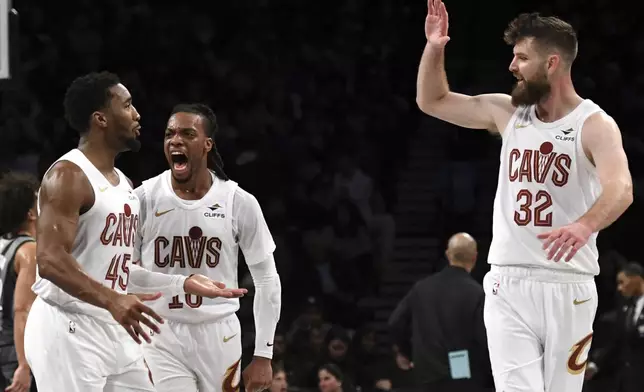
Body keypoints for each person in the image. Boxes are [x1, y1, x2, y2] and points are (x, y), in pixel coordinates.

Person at [416, 2, 633, 391]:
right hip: (507, 281)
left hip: (570, 283)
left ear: (552, 63)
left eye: (521, 57)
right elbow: (433, 101)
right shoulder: (509, 112)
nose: (512, 66)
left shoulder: (594, 124)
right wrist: (435, 47)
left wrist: (586, 224)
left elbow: (621, 188)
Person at [24, 72, 247, 392]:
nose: (137, 114)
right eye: (127, 105)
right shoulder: (68, 175)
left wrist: (182, 283)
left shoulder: (125, 185)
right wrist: (113, 300)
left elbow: (122, 270)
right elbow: (50, 260)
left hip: (113, 329)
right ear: (100, 119)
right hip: (67, 327)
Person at [132, 103, 281, 392]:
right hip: (160, 332)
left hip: (219, 332)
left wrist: (264, 353)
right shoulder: (143, 198)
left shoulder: (238, 201)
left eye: (187, 133)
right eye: (169, 134)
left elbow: (267, 279)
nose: (175, 140)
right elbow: (124, 274)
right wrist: (181, 283)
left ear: (207, 145)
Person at [388, 233, 492, 392]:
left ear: (448, 254)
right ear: (475, 257)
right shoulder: (476, 293)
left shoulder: (422, 288)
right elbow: (483, 338)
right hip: (463, 376)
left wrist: (405, 352)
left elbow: (395, 322)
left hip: (427, 373)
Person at [0, 172, 39, 392]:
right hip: (14, 349)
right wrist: (24, 364)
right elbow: (22, 309)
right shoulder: (29, 251)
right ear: (31, 213)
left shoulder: (3, 244)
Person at [585, 262, 644, 392]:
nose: (619, 288)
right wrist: (595, 365)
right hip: (627, 381)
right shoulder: (626, 308)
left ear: (637, 279)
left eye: (622, 282)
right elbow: (617, 342)